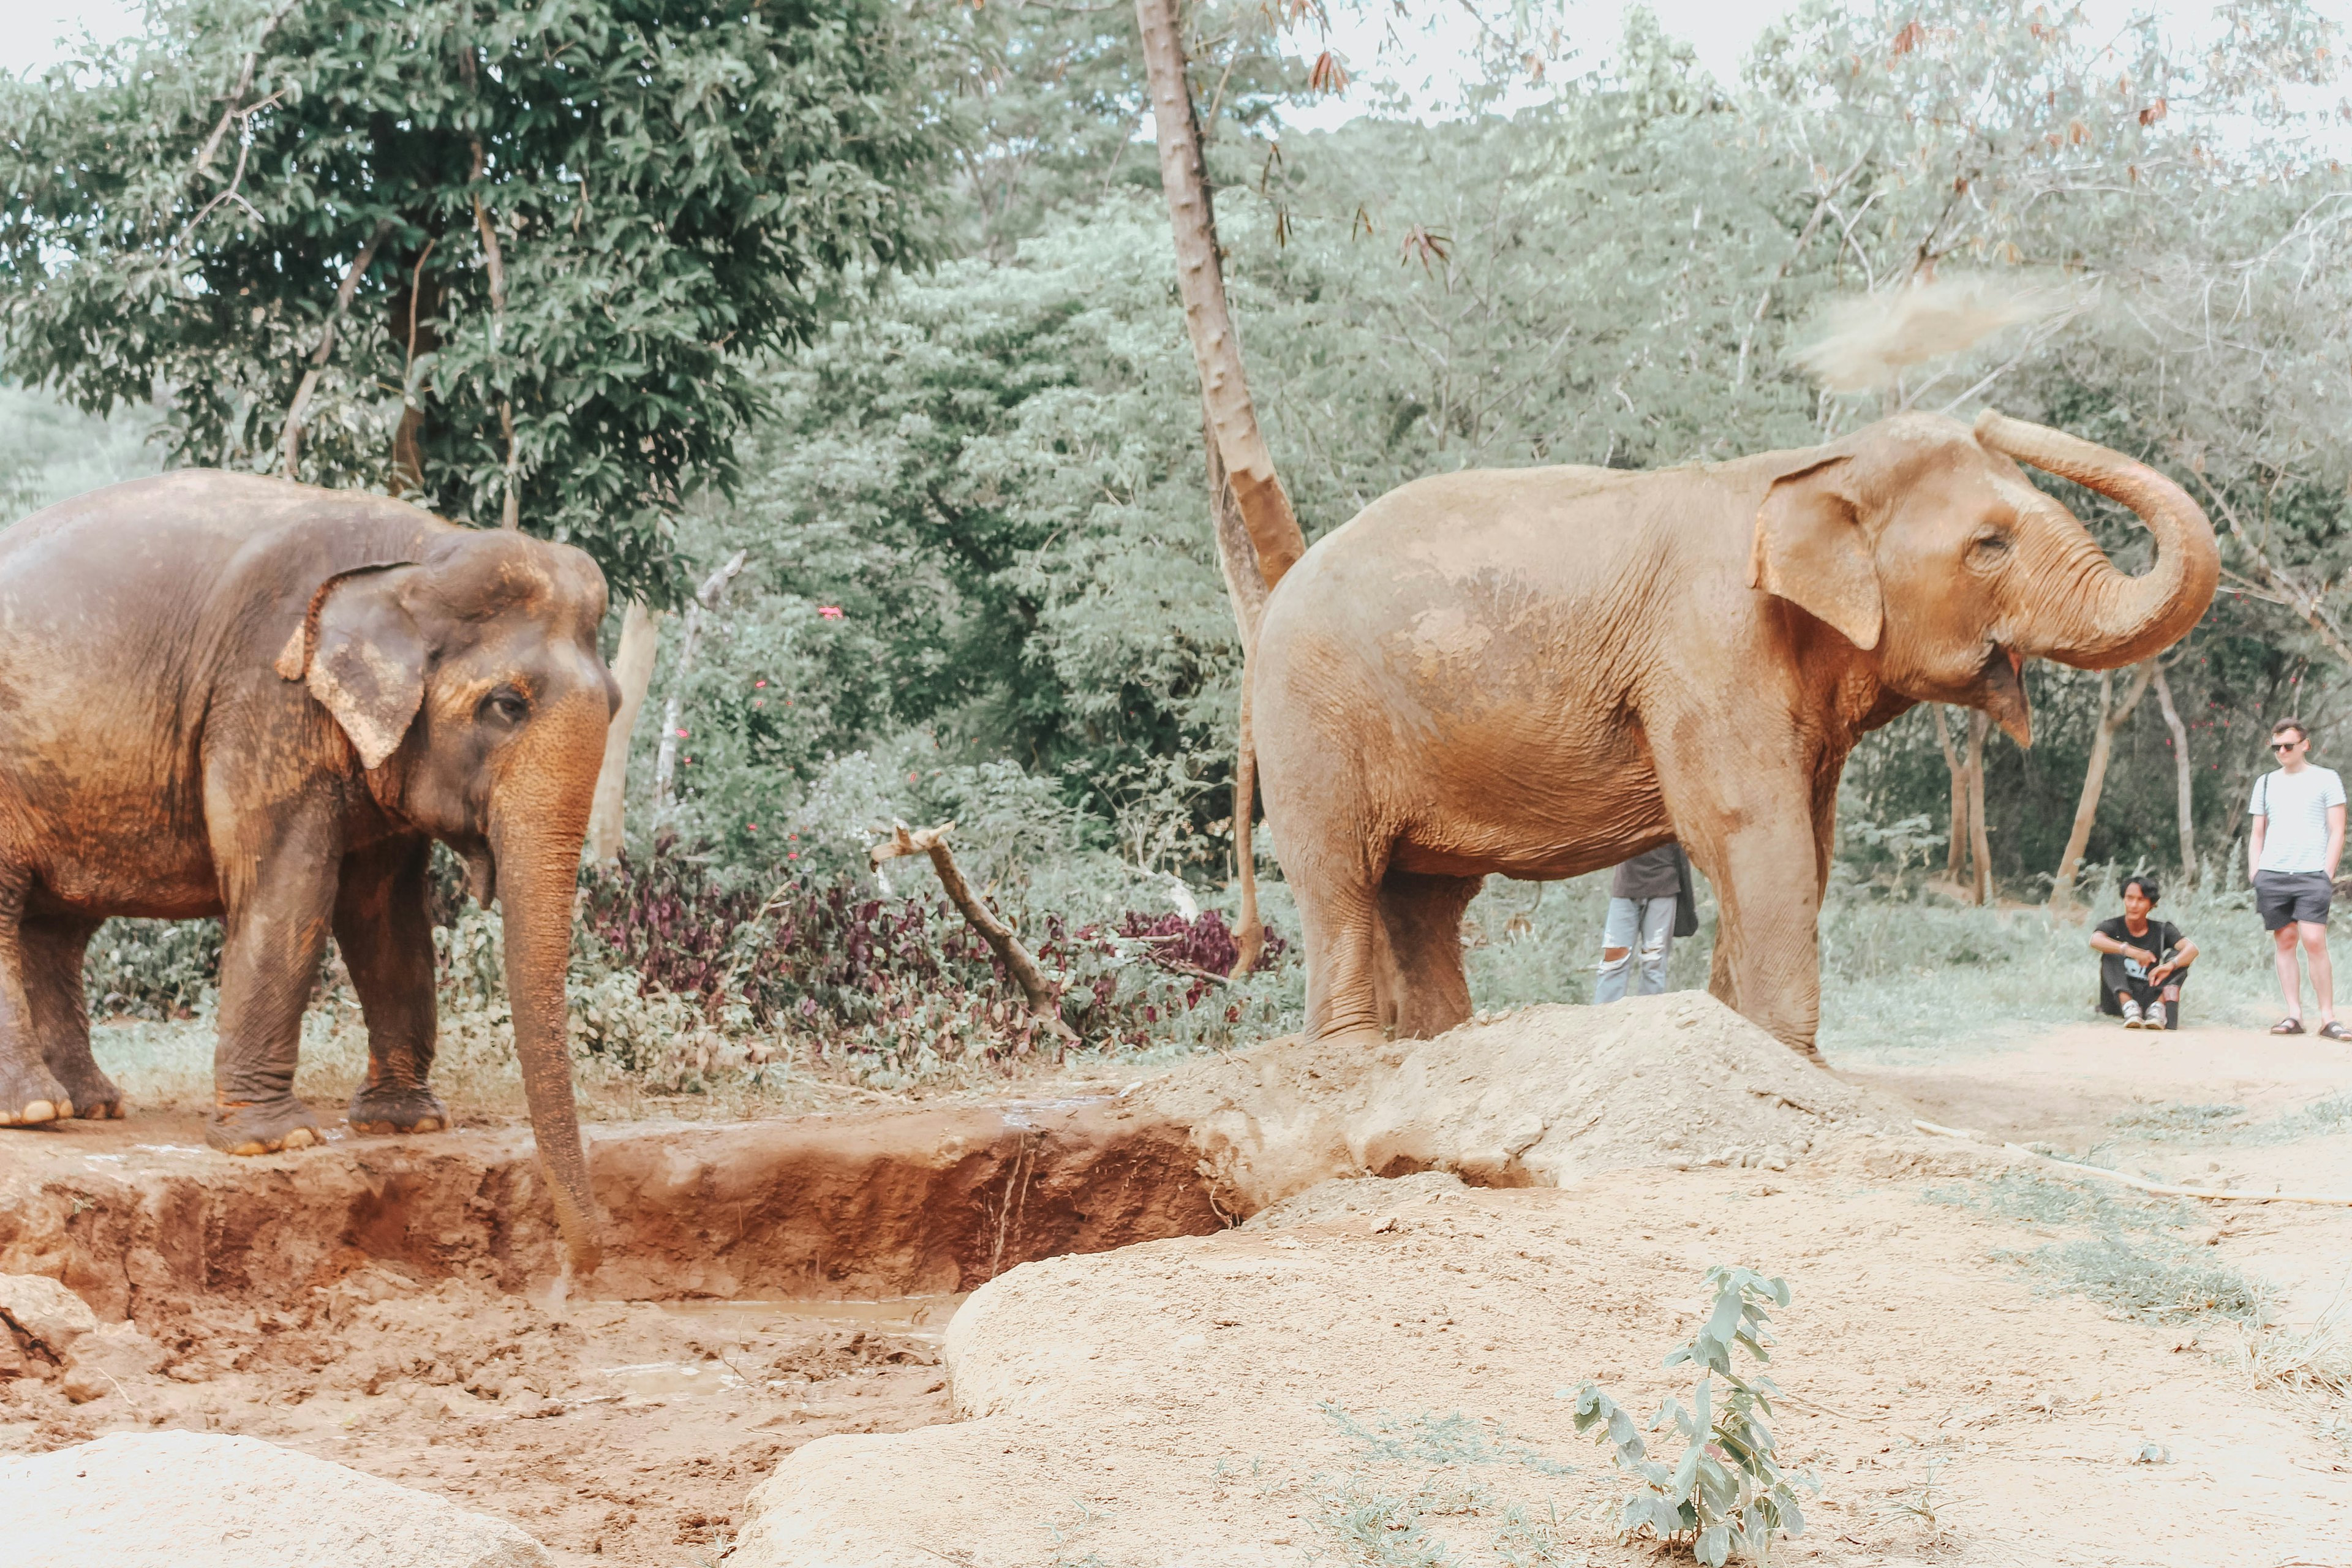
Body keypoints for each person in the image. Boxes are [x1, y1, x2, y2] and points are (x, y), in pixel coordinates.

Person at [2250, 718, 2349, 1039]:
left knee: (2314, 940)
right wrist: (2256, 872)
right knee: (2286, 940)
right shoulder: (2265, 782)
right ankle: (2293, 1014)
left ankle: (2328, 1017)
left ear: (2305, 745)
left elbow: (2337, 829)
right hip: (2274, 873)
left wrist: (2326, 874)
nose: (2281, 751)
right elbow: (2257, 832)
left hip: (2312, 874)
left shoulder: (2326, 779)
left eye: (2288, 746)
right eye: (2276, 746)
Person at [2089, 874, 2196, 1030]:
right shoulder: (2113, 926)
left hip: (2149, 997)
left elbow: (2192, 950)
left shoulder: (2162, 930)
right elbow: (2095, 940)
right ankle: (2129, 1007)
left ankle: (2157, 1009)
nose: (2133, 905)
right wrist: (2132, 951)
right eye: (2129, 898)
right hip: (2117, 1001)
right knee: (2111, 951)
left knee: (2178, 957)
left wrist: (2170, 966)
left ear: (2151, 904)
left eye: (2141, 900)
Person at [1596, 842, 1697, 1003]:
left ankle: (1649, 1016)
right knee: (1615, 958)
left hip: (1664, 884)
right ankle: (1604, 1015)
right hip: (1626, 885)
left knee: (1654, 959)